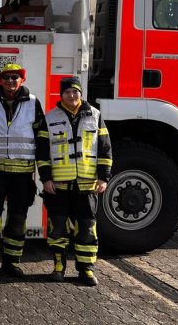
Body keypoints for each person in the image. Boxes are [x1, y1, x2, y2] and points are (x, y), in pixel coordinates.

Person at [0, 63, 52, 283]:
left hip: (23, 174)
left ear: (21, 80)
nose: (10, 81)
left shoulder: (34, 104)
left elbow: (42, 140)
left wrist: (45, 175)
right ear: (0, 80)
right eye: (6, 77)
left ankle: (12, 262)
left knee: (18, 219)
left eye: (15, 77)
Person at [43, 77, 112, 286]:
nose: (72, 96)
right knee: (58, 230)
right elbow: (42, 151)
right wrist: (46, 179)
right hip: (59, 186)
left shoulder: (96, 116)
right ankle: (58, 266)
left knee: (87, 229)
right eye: (67, 92)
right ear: (61, 95)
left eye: (75, 92)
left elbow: (105, 147)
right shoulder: (49, 117)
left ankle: (87, 270)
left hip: (87, 185)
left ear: (81, 94)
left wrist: (104, 177)